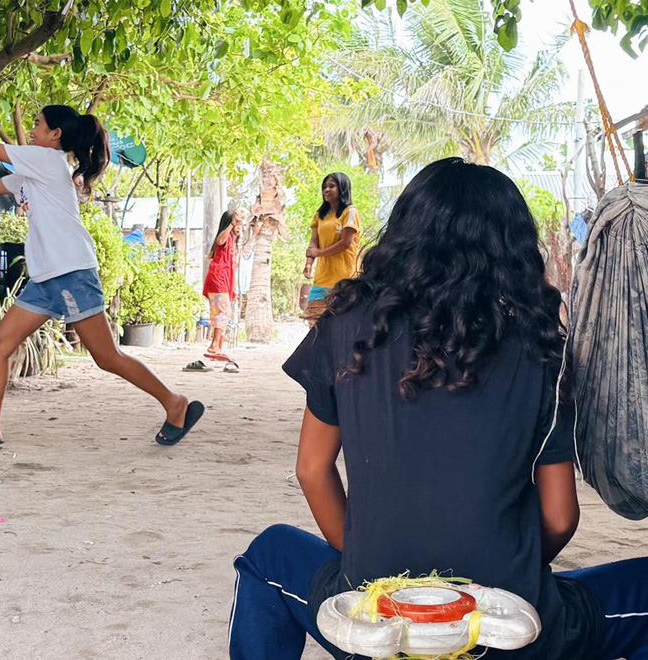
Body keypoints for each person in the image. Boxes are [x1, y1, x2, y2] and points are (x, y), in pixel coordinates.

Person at [228, 158, 648, 660]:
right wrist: (490, 581)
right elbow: (558, 519)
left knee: (269, 555)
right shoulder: (540, 351)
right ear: (513, 249)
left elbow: (311, 469)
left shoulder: (343, 328)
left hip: (374, 624)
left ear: (404, 234)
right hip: (507, 632)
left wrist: (373, 571)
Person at [0, 83, 204, 446]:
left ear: (55, 135)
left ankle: (175, 404)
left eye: (38, 124)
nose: (32, 130)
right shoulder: (37, 169)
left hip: (70, 271)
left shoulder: (47, 160)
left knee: (107, 357)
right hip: (48, 276)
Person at [302, 172, 360, 324]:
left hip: (344, 279)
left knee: (341, 326)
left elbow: (345, 243)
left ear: (342, 189)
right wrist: (309, 263)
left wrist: (319, 253)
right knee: (314, 323)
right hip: (321, 279)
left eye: (331, 186)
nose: (326, 190)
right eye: (324, 187)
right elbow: (313, 242)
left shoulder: (350, 212)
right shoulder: (319, 215)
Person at [203, 210, 241, 360]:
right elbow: (219, 240)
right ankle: (214, 346)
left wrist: (234, 289)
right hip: (218, 280)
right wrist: (231, 224)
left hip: (222, 282)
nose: (239, 226)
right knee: (223, 312)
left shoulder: (232, 241)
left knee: (220, 313)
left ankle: (217, 346)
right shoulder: (225, 238)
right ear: (229, 223)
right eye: (237, 223)